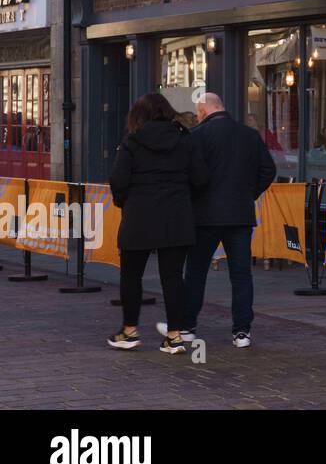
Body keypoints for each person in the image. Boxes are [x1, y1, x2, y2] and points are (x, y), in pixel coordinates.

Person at [107, 93, 209, 354]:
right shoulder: (185, 139)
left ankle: (129, 331)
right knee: (173, 277)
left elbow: (118, 180)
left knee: (131, 275)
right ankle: (174, 336)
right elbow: (200, 179)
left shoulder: (132, 141)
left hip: (139, 215)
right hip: (176, 215)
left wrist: (124, 202)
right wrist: (184, 199)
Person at [180, 92, 276, 348]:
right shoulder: (249, 135)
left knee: (196, 272)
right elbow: (268, 170)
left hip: (205, 215)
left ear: (202, 110)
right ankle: (242, 331)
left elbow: (189, 175)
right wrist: (249, 193)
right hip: (240, 214)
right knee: (241, 274)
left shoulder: (198, 136)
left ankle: (188, 326)